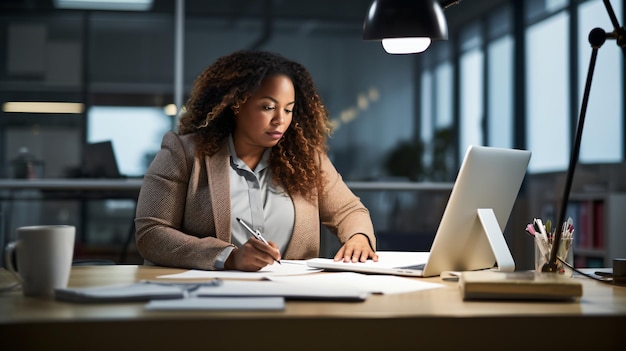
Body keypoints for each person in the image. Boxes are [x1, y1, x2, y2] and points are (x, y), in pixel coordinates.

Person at [135, 50, 378, 271]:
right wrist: (228, 257)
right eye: (268, 107)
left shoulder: (307, 159)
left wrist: (359, 237)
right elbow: (152, 233)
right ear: (236, 105)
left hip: (294, 298)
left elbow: (349, 210)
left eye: (288, 109)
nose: (280, 120)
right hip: (211, 299)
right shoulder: (183, 153)